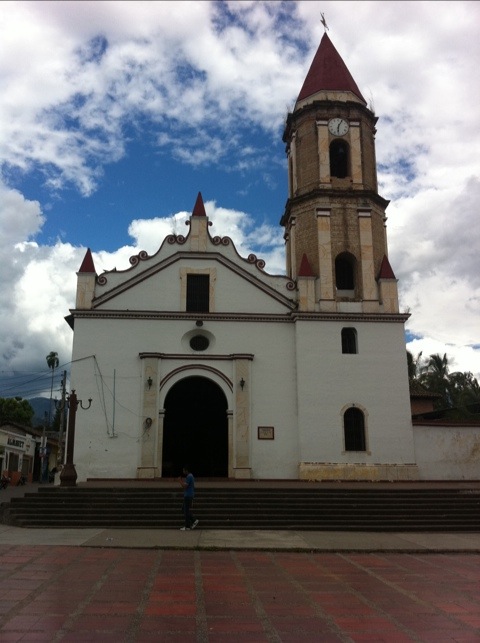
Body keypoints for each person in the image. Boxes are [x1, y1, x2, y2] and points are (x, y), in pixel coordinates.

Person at [179, 465, 199, 531]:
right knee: (184, 509)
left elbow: (185, 486)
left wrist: (180, 481)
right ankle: (193, 520)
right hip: (188, 495)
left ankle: (188, 525)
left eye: (184, 470)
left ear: (186, 470)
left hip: (188, 495)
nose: (183, 471)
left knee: (186, 511)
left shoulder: (189, 476)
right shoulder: (190, 476)